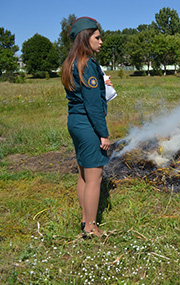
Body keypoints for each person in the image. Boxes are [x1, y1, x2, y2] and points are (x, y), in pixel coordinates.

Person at [61, 17, 111, 237]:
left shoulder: (72, 62)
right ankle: (91, 228)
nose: (101, 42)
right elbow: (92, 106)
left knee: (83, 174)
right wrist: (103, 134)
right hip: (88, 124)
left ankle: (84, 220)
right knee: (95, 178)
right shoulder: (87, 66)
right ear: (85, 39)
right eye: (97, 37)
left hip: (76, 121)